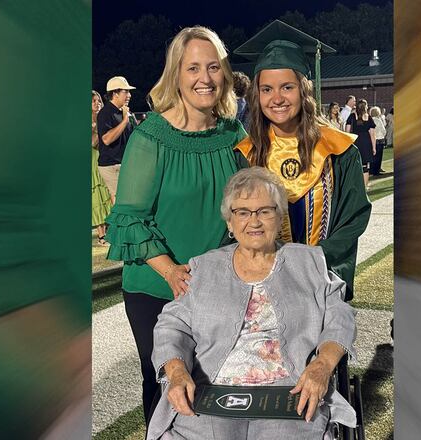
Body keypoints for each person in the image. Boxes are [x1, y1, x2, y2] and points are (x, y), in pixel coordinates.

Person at [104, 26, 246, 428]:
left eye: (214, 67)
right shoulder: (151, 137)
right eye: (193, 68)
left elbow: (246, 202)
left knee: (214, 387)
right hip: (157, 288)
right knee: (169, 389)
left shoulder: (232, 133)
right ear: (176, 75)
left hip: (216, 285)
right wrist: (171, 272)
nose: (205, 78)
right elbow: (128, 218)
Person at [148, 167, 357, 440]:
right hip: (212, 389)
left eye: (265, 211)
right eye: (243, 212)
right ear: (229, 223)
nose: (254, 221)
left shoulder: (309, 262)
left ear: (279, 216)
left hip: (289, 391)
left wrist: (322, 366)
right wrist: (176, 372)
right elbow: (171, 326)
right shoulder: (204, 267)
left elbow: (339, 317)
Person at [235, 39, 371, 302]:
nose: (276, 98)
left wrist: (314, 260)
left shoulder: (339, 151)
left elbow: (353, 218)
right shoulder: (247, 154)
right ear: (257, 95)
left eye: (287, 87)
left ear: (304, 90)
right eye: (266, 89)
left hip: (322, 280)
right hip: (264, 287)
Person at [97, 75, 137, 205]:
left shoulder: (124, 112)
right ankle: (119, 225)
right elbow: (107, 139)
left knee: (129, 198)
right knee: (121, 200)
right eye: (125, 91)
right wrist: (125, 121)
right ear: (115, 93)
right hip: (111, 165)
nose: (129, 95)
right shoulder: (105, 113)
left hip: (124, 163)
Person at [91, 90, 112, 245]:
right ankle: (101, 234)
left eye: (98, 101)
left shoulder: (104, 118)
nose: (97, 104)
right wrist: (100, 128)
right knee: (97, 195)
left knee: (107, 193)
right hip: (92, 160)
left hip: (106, 158)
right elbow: (93, 142)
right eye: (93, 101)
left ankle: (110, 229)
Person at [345, 99, 376, 186]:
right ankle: (364, 188)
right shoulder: (369, 117)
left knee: (355, 165)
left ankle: (356, 187)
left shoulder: (352, 116)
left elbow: (347, 132)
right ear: (365, 106)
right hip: (366, 143)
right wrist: (373, 147)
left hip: (355, 142)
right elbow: (372, 134)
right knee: (365, 167)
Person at [369, 106, 387, 175]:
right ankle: (376, 171)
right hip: (379, 140)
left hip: (372, 140)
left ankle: (371, 170)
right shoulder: (378, 120)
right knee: (378, 157)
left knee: (372, 156)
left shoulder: (369, 120)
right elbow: (383, 130)